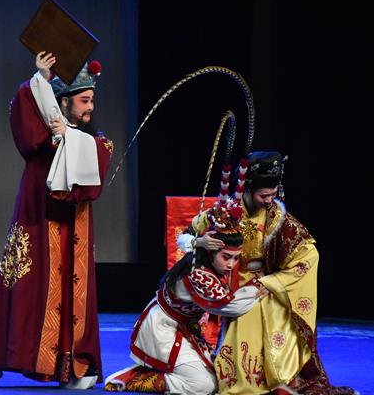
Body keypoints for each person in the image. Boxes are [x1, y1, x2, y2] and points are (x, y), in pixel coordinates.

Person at [0, 52, 113, 390]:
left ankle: (75, 366)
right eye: (84, 101)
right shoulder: (42, 140)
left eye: (92, 100)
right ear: (64, 102)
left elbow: (97, 163)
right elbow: (25, 122)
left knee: (74, 291)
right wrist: (41, 79)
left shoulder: (93, 141)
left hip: (73, 229)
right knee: (20, 286)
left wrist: (68, 136)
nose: (90, 107)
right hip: (36, 221)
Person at [178, 151, 357, 394]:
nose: (269, 200)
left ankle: (277, 379)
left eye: (273, 195)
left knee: (266, 315)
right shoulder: (223, 213)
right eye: (264, 195)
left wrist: (270, 282)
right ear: (248, 190)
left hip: (261, 287)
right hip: (220, 284)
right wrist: (199, 242)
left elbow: (308, 254)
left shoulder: (276, 218)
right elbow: (184, 237)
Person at [105, 198, 267, 394]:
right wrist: (258, 288)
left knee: (219, 378)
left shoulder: (205, 258)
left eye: (235, 258)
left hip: (184, 327)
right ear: (210, 251)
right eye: (226, 257)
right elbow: (231, 306)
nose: (231, 265)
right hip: (163, 329)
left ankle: (162, 368)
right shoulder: (198, 274)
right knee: (204, 386)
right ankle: (136, 378)